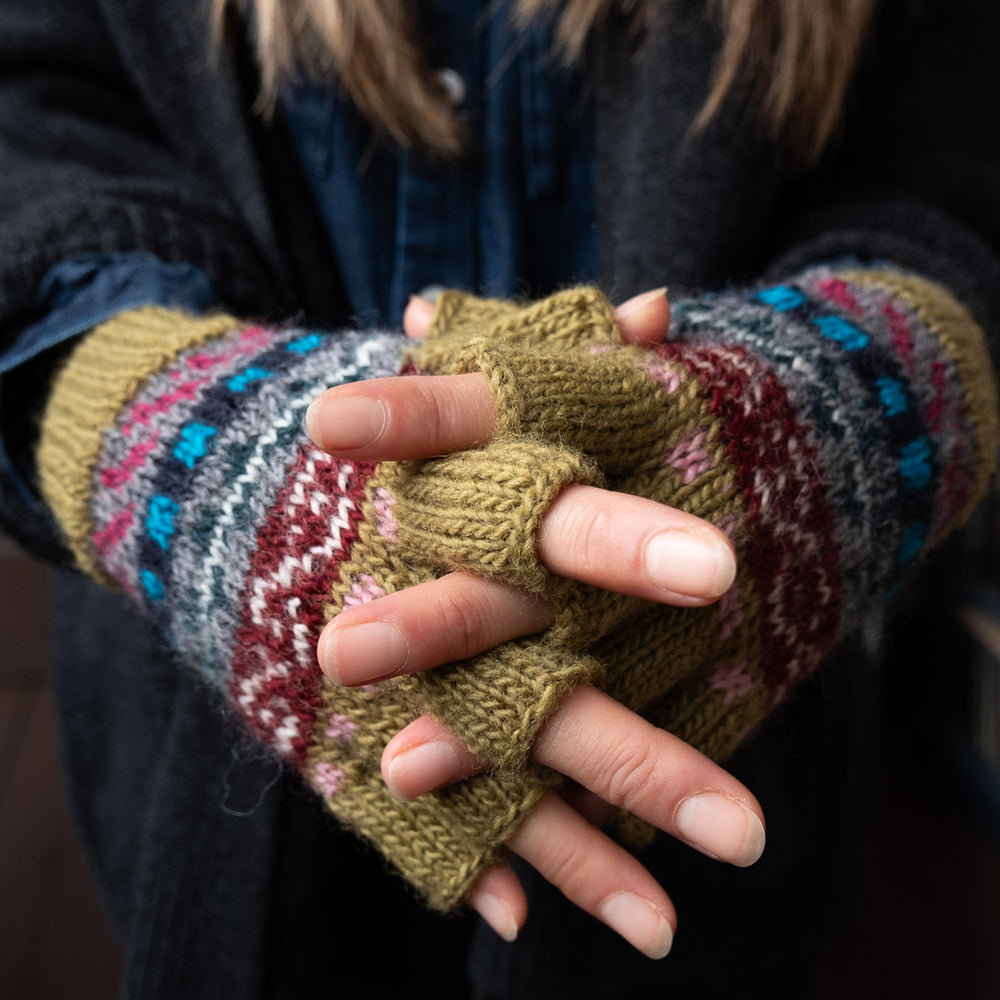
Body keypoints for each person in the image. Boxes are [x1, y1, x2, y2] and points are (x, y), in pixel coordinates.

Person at [0, 1, 997, 997]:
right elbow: (36, 122)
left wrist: (820, 405)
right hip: (210, 746)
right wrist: (181, 439)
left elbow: (941, 174)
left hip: (729, 705)